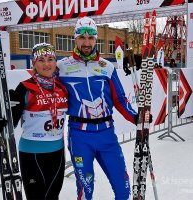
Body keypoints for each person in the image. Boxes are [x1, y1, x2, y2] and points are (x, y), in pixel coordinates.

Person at [57, 17, 143, 200]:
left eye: (91, 38)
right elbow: (44, 88)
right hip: (79, 136)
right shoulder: (62, 67)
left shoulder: (107, 67)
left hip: (106, 134)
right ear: (75, 38)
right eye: (82, 37)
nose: (86, 42)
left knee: (123, 188)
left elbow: (119, 99)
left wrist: (136, 117)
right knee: (85, 190)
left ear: (96, 39)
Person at [0, 43, 68, 200]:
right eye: (41, 60)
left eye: (50, 59)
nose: (46, 64)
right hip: (31, 153)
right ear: (34, 64)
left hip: (57, 153)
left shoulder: (62, 87)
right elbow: (11, 120)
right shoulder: (25, 87)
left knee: (53, 197)